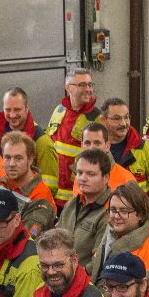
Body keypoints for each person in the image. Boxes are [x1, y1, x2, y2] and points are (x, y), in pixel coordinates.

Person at [86, 181, 149, 292]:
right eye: (113, 210)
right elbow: (94, 267)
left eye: (124, 211)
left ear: (140, 214)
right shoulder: (113, 231)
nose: (116, 216)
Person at [0, 86, 60, 198]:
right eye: (8, 110)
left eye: (17, 109)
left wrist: (23, 201)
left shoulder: (41, 142)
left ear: (27, 108)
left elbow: (50, 186)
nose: (12, 115)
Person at [46, 69, 99, 205]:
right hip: (53, 195)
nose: (88, 89)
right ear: (68, 87)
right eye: (82, 85)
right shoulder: (59, 110)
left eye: (90, 84)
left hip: (78, 197)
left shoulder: (97, 118)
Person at [56, 147, 112, 266]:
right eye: (80, 173)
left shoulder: (110, 211)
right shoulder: (71, 204)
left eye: (90, 174)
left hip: (84, 281)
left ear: (106, 178)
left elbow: (97, 263)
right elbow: (55, 239)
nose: (82, 178)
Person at [97, 96, 149, 190]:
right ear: (103, 120)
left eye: (126, 117)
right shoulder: (95, 150)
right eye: (117, 119)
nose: (124, 123)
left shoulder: (144, 149)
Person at [0, 130, 57, 234]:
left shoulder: (41, 197)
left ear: (30, 160)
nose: (11, 164)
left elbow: (26, 238)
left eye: (18, 158)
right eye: (7, 157)